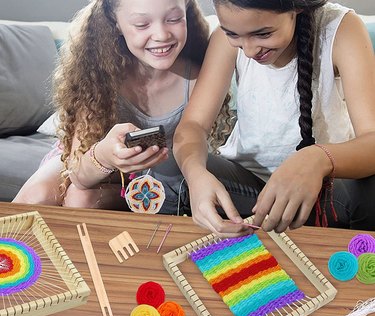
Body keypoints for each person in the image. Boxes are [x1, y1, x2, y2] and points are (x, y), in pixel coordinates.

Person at [173, 0, 375, 237]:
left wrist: (318, 158)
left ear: (297, 7)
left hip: (324, 194)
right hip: (251, 190)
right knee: (172, 165)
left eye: (263, 33)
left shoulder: (340, 28)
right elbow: (193, 125)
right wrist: (195, 175)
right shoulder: (224, 40)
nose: (248, 51)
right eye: (233, 34)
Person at [13, 0, 214, 214]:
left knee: (81, 200)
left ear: (187, 13)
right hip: (89, 156)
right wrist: (104, 156)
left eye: (174, 19)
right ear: (115, 23)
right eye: (142, 24)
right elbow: (78, 173)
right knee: (36, 195)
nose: (162, 34)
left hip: (154, 175)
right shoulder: (99, 74)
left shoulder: (198, 78)